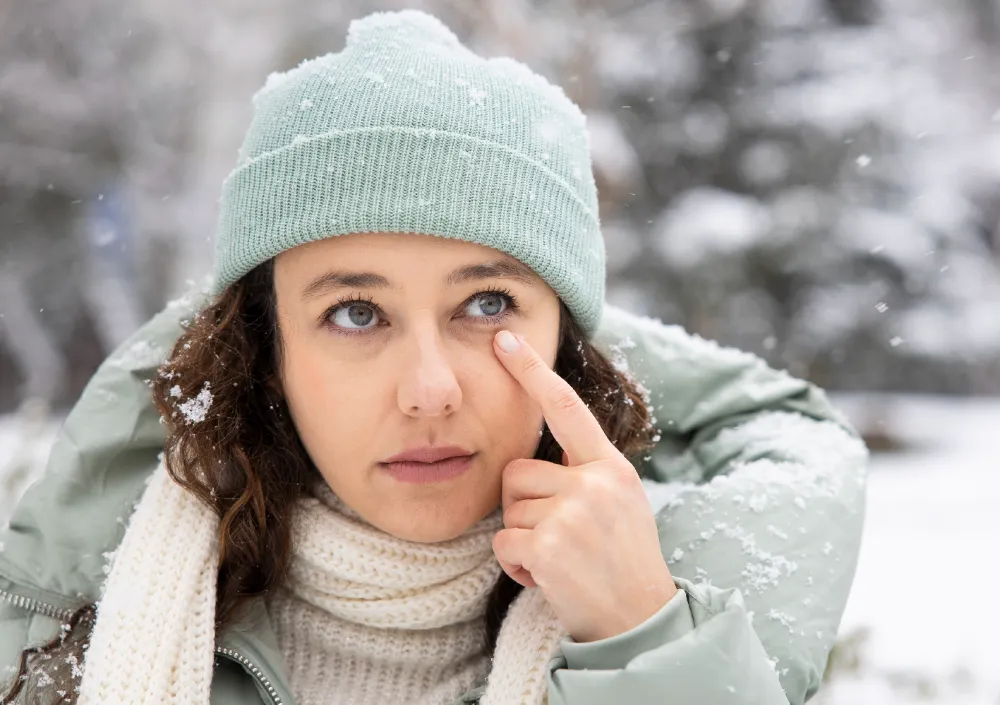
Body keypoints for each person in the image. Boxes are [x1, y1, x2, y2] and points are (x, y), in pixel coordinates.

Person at [0, 9, 868, 705]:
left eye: (487, 305)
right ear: (266, 352)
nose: (429, 390)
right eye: (355, 312)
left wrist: (642, 639)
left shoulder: (676, 613)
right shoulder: (73, 641)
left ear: (565, 341)